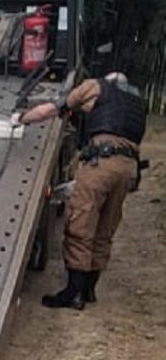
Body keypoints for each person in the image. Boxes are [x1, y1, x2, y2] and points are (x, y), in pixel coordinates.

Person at [17, 72, 146, 310]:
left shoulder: (95, 87)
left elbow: (51, 110)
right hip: (129, 168)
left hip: (101, 163)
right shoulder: (137, 101)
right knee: (105, 227)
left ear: (107, 80)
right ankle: (89, 290)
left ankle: (73, 294)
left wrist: (22, 118)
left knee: (81, 223)